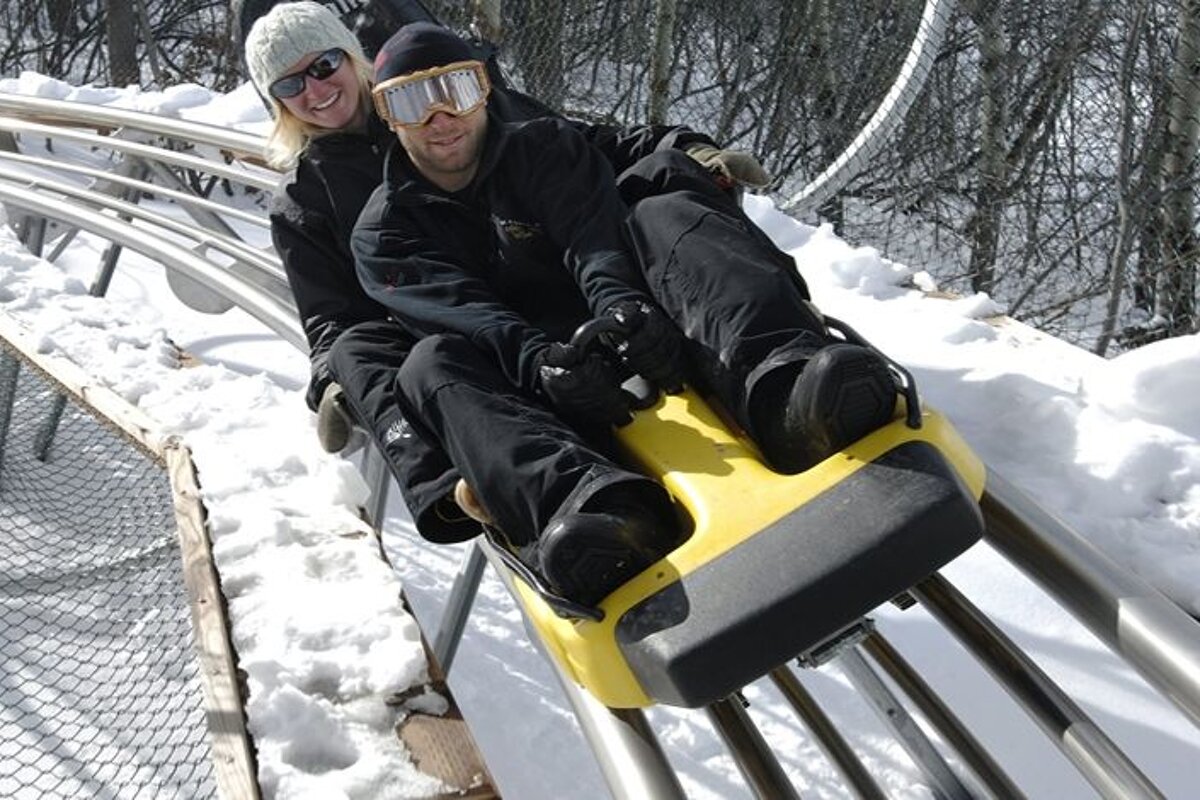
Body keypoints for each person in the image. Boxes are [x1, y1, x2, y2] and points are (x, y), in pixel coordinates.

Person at [350, 24, 899, 606]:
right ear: (388, 117)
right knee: (427, 365)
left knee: (663, 208)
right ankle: (600, 514)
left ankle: (785, 388)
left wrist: (624, 308)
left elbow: (592, 237)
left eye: (455, 90)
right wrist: (542, 364)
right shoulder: (384, 233)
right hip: (531, 388)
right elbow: (468, 314)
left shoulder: (544, 147)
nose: (439, 118)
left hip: (642, 335)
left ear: (484, 91)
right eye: (411, 101)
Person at [241, 2, 774, 545]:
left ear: (353, 60)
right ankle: (463, 488)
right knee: (362, 353)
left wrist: (680, 149)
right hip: (443, 316)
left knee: (658, 196)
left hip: (537, 263)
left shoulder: (442, 91)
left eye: (323, 66)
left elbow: (577, 145)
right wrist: (335, 377)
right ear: (276, 103)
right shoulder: (305, 202)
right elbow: (332, 317)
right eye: (289, 85)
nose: (314, 89)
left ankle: (770, 362)